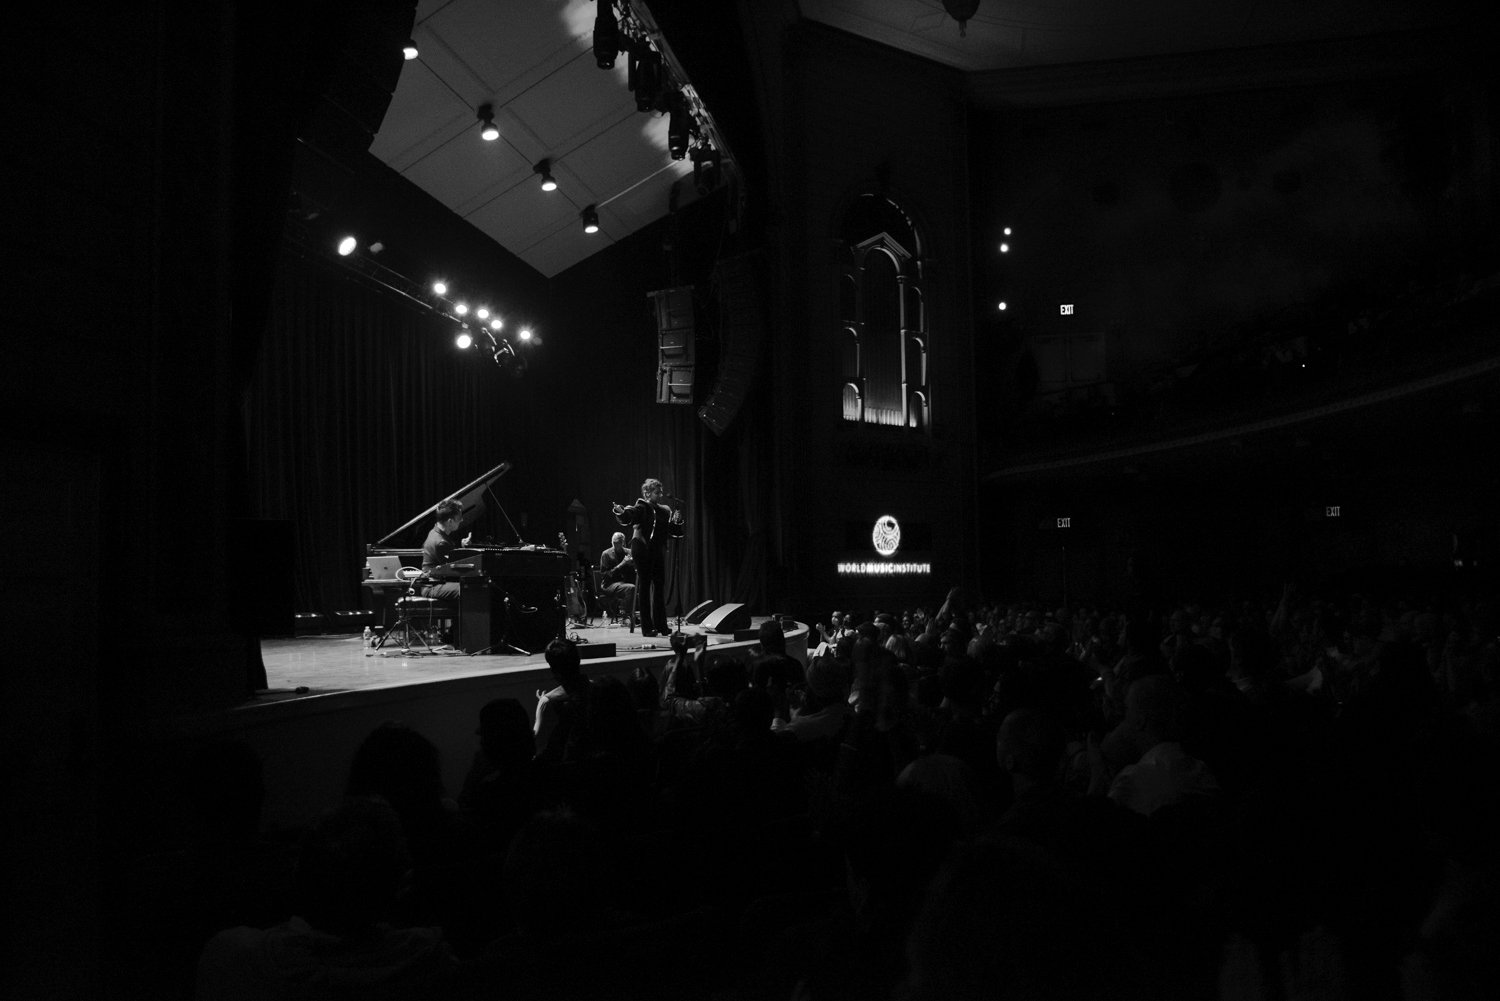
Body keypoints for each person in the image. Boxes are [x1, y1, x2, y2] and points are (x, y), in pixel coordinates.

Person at [611, 478, 684, 637]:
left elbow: (670, 532)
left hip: (657, 550)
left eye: (660, 492)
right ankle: (647, 627)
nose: (660, 495)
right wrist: (621, 512)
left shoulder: (665, 510)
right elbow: (629, 515)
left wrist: (677, 522)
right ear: (647, 493)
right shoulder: (642, 506)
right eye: (657, 493)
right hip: (642, 549)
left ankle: (661, 626)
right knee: (644, 587)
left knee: (659, 587)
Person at [419, 498, 463, 601]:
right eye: (459, 518)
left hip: (434, 583)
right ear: (450, 521)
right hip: (433, 587)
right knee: (471, 590)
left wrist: (463, 547)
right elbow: (454, 570)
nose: (462, 520)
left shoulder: (435, 532)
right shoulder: (441, 542)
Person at [597, 531, 637, 629]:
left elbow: (635, 569)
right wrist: (622, 564)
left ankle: (638, 615)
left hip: (624, 582)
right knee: (631, 588)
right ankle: (626, 616)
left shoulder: (629, 552)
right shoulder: (606, 554)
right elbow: (605, 575)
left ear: (623, 543)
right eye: (613, 543)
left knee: (640, 585)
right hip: (609, 584)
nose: (615, 545)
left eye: (618, 543)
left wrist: (633, 564)